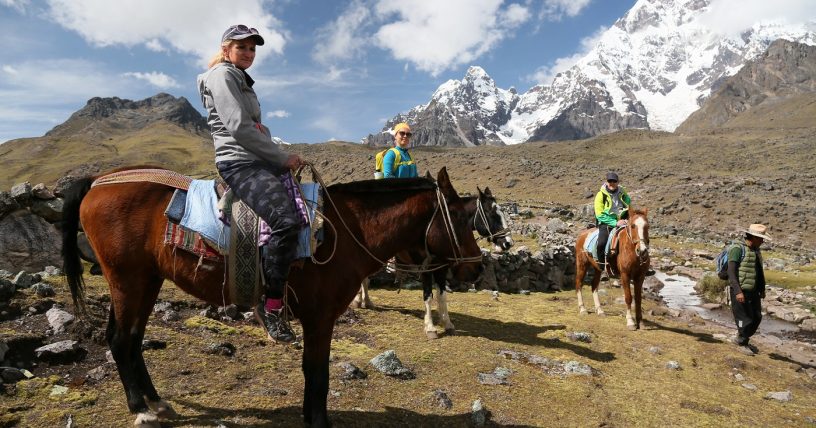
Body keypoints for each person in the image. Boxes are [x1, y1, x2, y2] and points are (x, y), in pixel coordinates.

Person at [197, 24, 305, 343]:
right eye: (242, 47)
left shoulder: (240, 79)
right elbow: (240, 128)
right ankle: (271, 308)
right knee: (285, 222)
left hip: (255, 160)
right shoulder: (223, 75)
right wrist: (281, 157)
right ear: (227, 48)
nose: (248, 53)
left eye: (253, 48)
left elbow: (252, 128)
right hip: (240, 163)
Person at [728, 223, 770, 355]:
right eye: (760, 238)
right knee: (744, 318)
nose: (762, 241)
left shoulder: (756, 251)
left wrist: (762, 289)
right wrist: (738, 291)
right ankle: (741, 342)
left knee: (756, 317)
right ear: (752, 237)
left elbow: (759, 271)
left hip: (754, 291)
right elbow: (731, 271)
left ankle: (742, 337)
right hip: (741, 290)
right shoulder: (737, 249)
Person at [593, 172, 630, 280]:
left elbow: (628, 205)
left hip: (623, 221)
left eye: (614, 181)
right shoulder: (601, 195)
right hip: (607, 223)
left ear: (618, 182)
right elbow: (599, 214)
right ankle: (602, 268)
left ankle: (641, 264)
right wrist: (615, 223)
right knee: (601, 244)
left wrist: (628, 218)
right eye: (610, 181)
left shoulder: (622, 192)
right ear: (607, 182)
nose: (612, 183)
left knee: (638, 237)